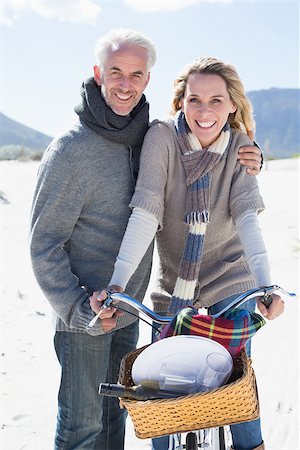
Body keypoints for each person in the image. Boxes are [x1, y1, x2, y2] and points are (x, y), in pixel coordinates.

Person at [29, 27, 263, 450]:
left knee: (116, 419)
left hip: (129, 310)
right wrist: (81, 307)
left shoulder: (145, 137)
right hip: (85, 311)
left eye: (136, 74)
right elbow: (42, 245)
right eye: (115, 71)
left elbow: (208, 140)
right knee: (81, 427)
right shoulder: (70, 150)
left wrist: (250, 150)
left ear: (148, 80)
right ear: (98, 73)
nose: (125, 83)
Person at [91, 57, 285, 450]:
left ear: (232, 105)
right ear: (181, 102)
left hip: (231, 277)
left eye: (216, 100)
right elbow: (146, 213)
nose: (205, 111)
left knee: (237, 381)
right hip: (174, 284)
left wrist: (266, 287)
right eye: (195, 100)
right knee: (157, 387)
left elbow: (248, 219)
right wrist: (117, 282)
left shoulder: (241, 148)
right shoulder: (161, 138)